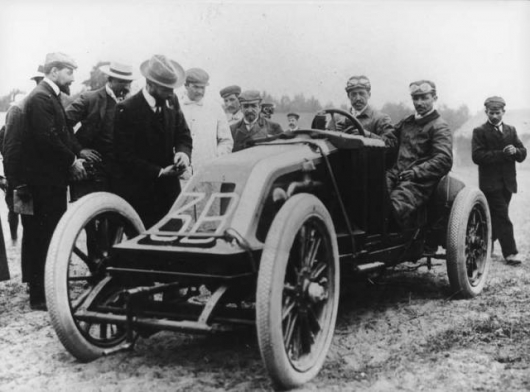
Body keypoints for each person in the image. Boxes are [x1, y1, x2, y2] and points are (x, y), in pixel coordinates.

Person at [21, 52, 87, 310]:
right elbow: (47, 138)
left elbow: (63, 133)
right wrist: (72, 161)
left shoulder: (50, 96)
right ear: (54, 71)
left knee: (49, 235)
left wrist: (77, 153)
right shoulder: (41, 97)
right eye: (69, 71)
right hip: (44, 182)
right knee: (43, 237)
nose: (72, 76)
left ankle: (45, 294)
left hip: (51, 180)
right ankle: (40, 297)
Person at [114, 54, 192, 229]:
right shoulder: (126, 110)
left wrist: (182, 153)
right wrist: (159, 172)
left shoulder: (172, 101)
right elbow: (123, 156)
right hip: (140, 194)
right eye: (167, 89)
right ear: (150, 84)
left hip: (170, 194)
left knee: (173, 243)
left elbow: (183, 134)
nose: (172, 93)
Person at [386, 80, 452, 230]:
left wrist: (416, 172)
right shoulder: (407, 122)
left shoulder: (440, 126)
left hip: (419, 182)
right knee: (371, 201)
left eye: (424, 98)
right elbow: (388, 137)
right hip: (395, 174)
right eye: (416, 98)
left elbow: (444, 159)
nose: (419, 102)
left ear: (434, 99)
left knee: (392, 209)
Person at [65, 61, 135, 200]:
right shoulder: (90, 99)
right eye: (122, 81)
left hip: (120, 174)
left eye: (129, 82)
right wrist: (79, 150)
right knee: (89, 215)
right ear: (110, 80)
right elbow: (62, 124)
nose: (127, 86)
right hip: (93, 174)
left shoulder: (132, 103)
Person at [472, 96, 526, 266]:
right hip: (490, 183)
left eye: (497, 112)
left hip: (508, 183)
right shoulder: (480, 131)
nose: (494, 116)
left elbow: (523, 153)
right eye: (491, 113)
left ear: (504, 112)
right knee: (502, 216)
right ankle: (510, 253)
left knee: (496, 218)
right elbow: (477, 156)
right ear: (485, 112)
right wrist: (503, 154)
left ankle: (484, 247)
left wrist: (516, 151)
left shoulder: (511, 130)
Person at [1, 66, 44, 241]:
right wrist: (11, 178)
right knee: (17, 210)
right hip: (18, 177)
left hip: (28, 177)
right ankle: (13, 238)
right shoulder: (19, 110)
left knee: (21, 213)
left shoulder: (38, 105)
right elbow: (8, 147)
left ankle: (15, 238)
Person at [179, 67, 233, 177]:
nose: (200, 91)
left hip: (209, 173)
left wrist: (215, 159)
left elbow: (226, 141)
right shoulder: (176, 108)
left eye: (203, 88)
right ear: (186, 85)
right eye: (195, 87)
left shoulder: (215, 108)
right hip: (181, 174)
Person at [337, 75, 397, 152]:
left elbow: (392, 144)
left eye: (361, 93)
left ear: (369, 95)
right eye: (354, 94)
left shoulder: (381, 119)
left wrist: (368, 135)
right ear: (348, 96)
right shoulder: (339, 118)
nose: (358, 98)